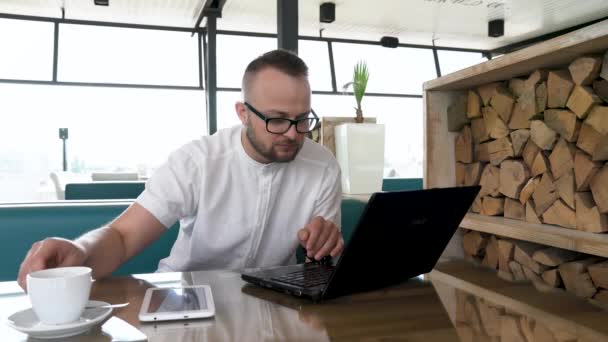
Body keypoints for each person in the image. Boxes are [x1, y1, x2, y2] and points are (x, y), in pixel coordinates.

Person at [18, 49, 344, 290]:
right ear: (243, 113)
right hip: (185, 297)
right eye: (277, 119)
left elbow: (321, 262)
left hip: (274, 299)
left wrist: (324, 248)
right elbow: (122, 236)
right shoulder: (197, 163)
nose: (293, 133)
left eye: (302, 119)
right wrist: (80, 249)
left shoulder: (323, 166)